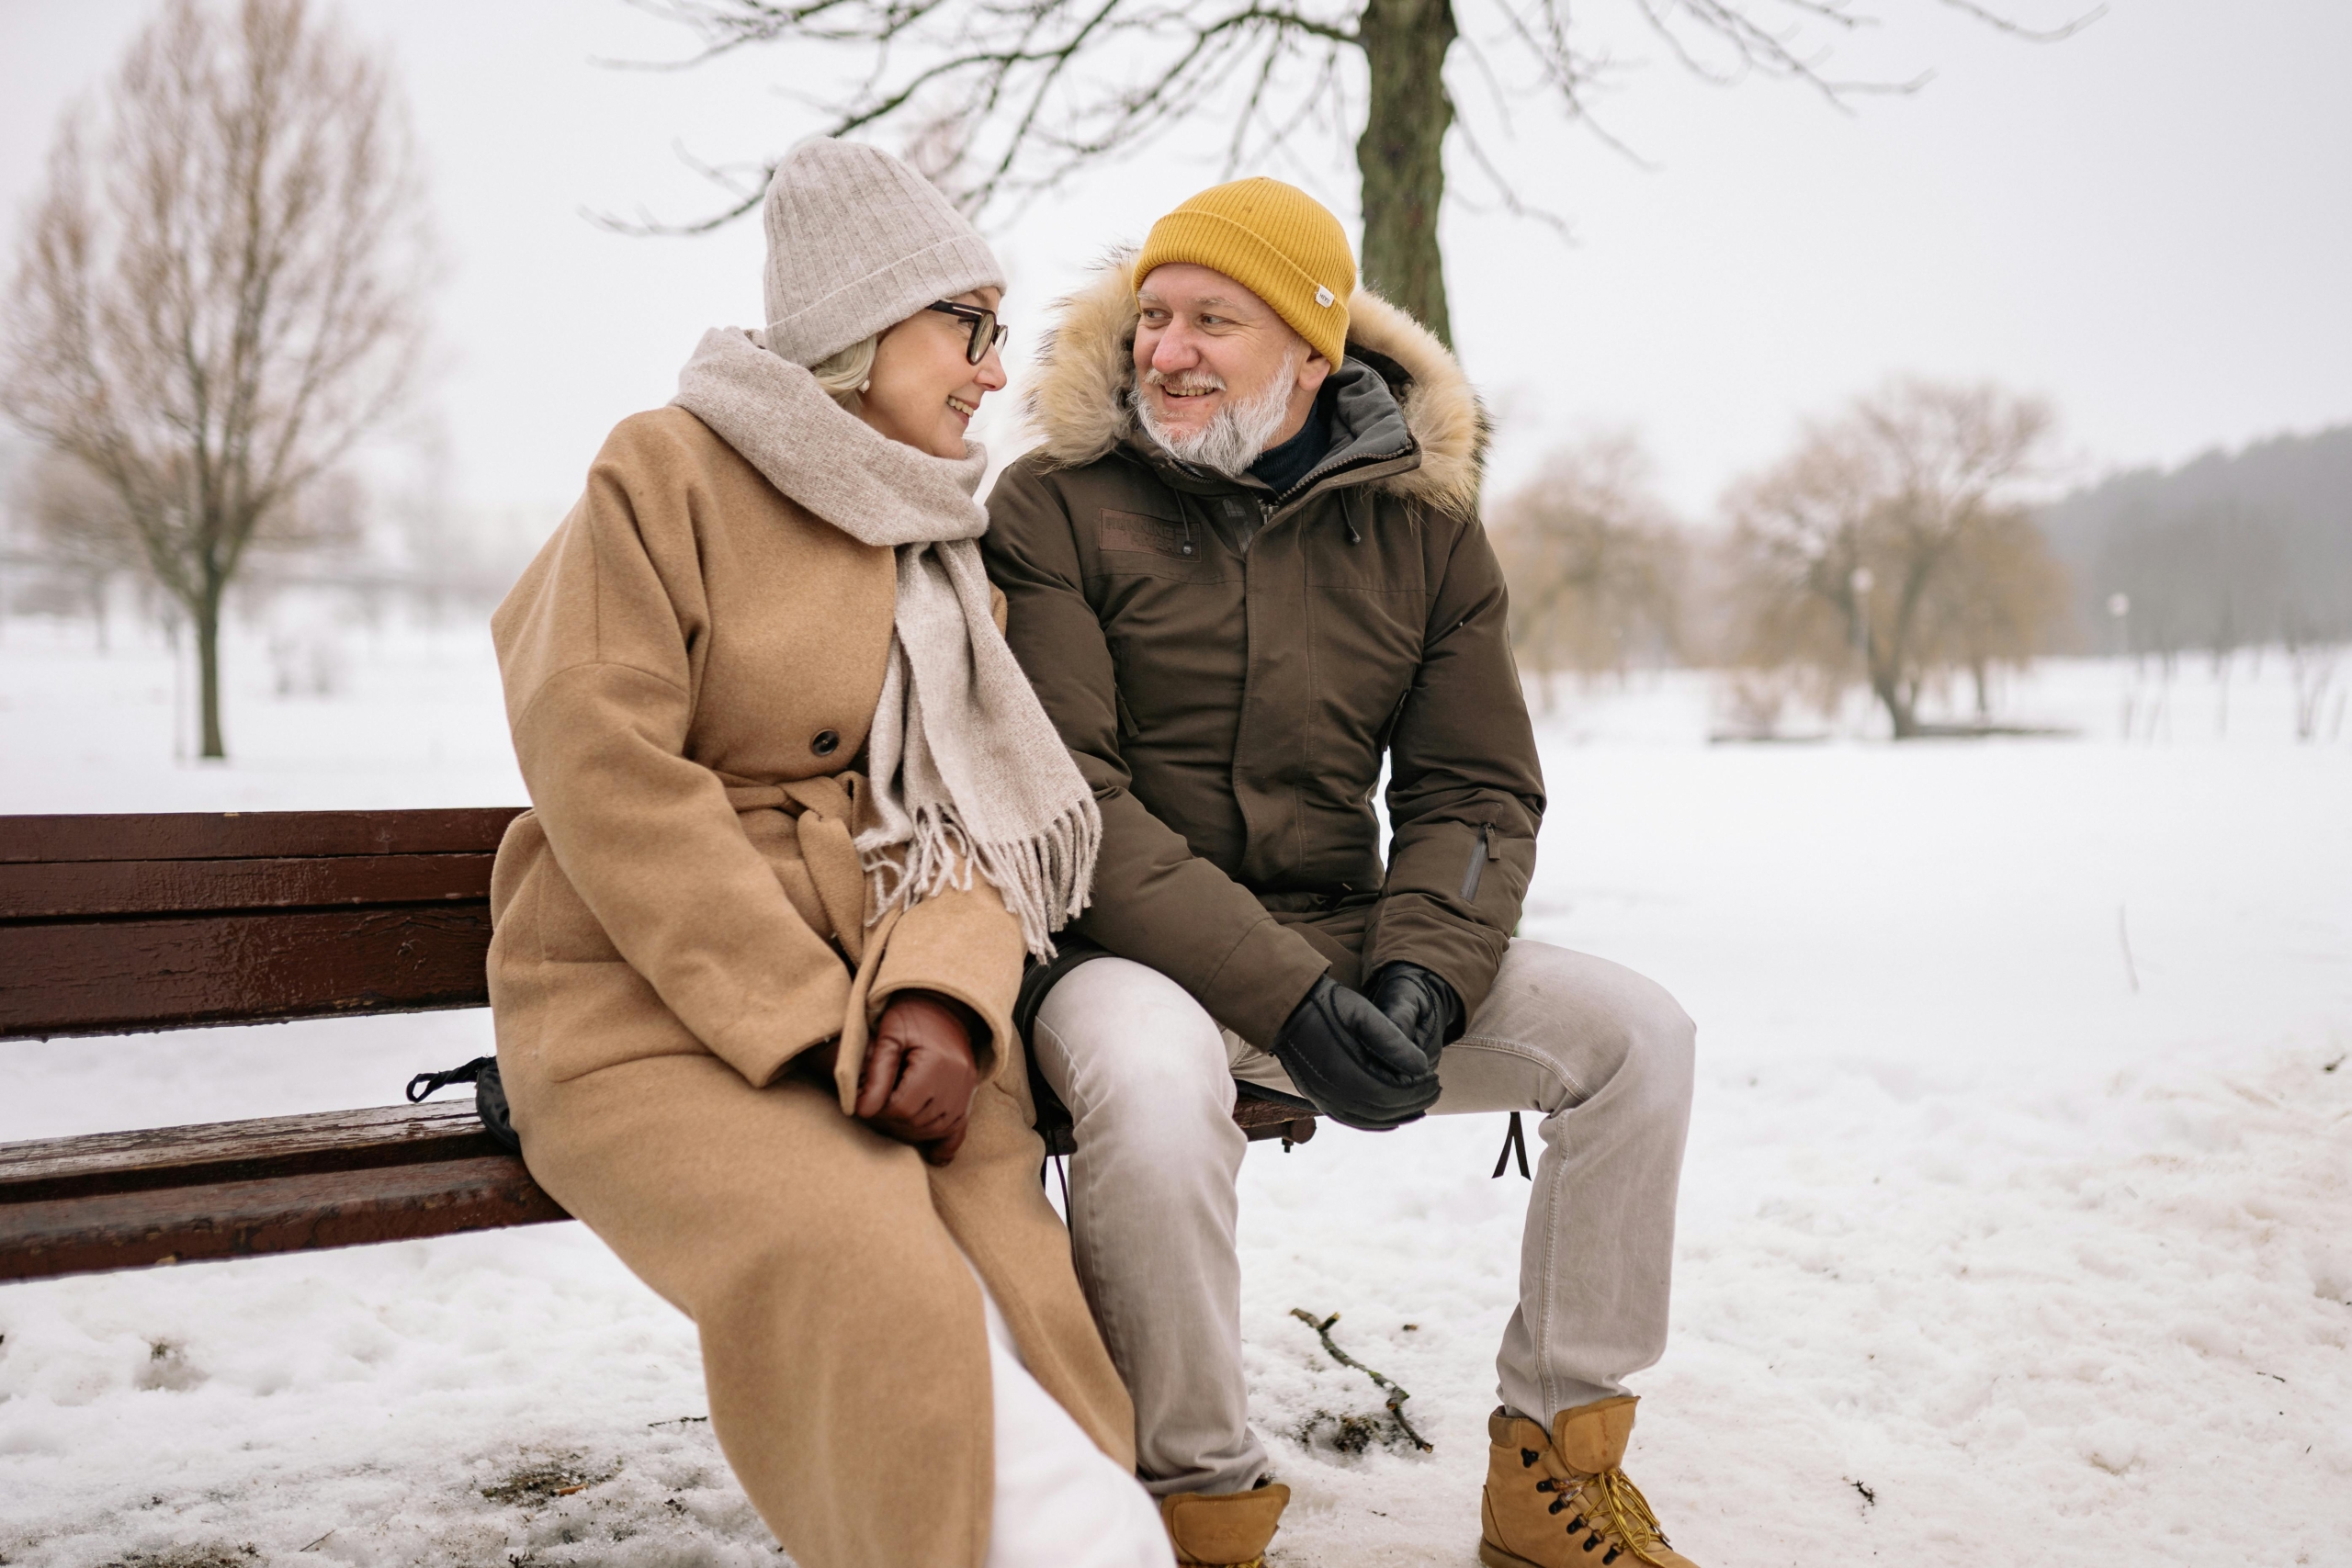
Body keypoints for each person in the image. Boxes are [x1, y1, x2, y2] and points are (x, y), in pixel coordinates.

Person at [982, 177, 1702, 1568]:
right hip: (1115, 952)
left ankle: (1555, 1467)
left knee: (1639, 1040)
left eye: (1213, 321)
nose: (1167, 349)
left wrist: (1426, 977)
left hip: (1351, 936)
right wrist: (1293, 996)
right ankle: (1195, 1509)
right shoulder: (1055, 506)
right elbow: (1079, 805)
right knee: (1150, 1083)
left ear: (1314, 356)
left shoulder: (1426, 530)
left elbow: (1474, 788)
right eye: (1155, 317)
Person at [483, 138, 1170, 1568]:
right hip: (655, 1010)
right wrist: (806, 1021)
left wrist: (937, 1000)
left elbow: (978, 817)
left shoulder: (940, 543)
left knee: (1024, 1295)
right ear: (867, 323)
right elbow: (602, 767)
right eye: (968, 327)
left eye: (999, 333)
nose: (995, 369)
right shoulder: (662, 471)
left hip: (891, 1008)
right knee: (867, 1270)